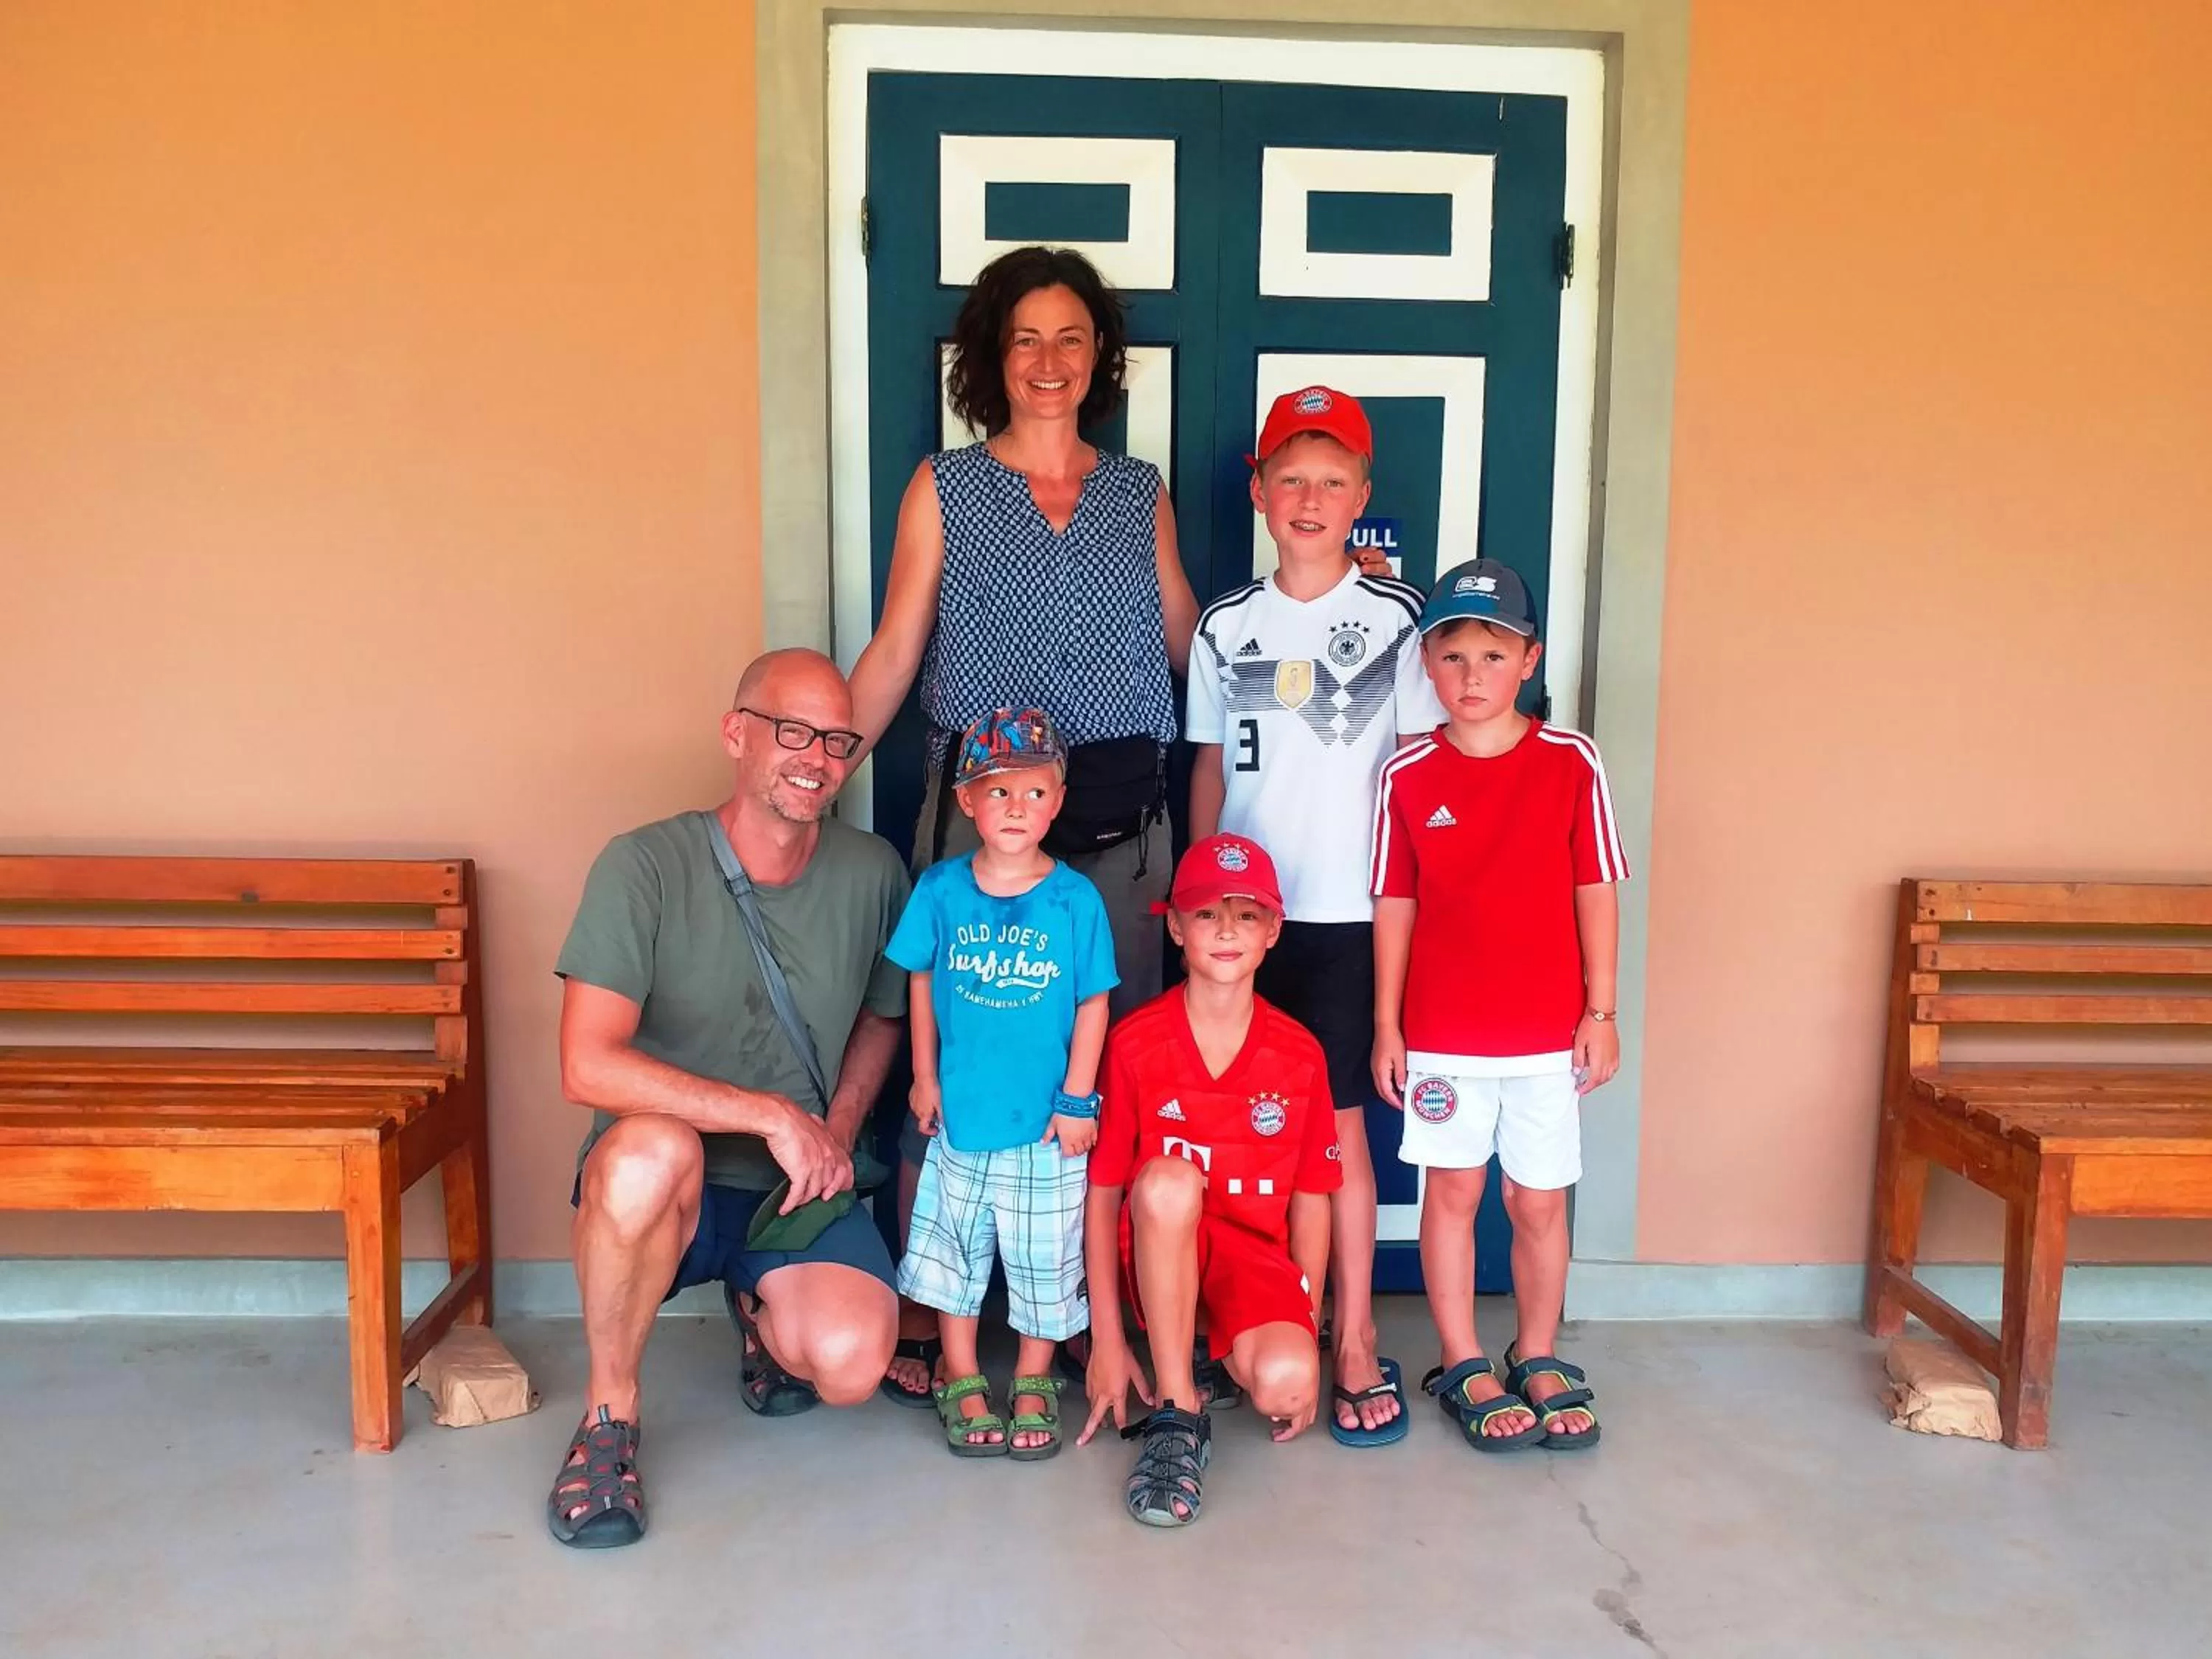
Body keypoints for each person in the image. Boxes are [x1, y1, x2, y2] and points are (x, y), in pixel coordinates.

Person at [846, 245, 1197, 1403]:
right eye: (1025, 339)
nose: (1049, 362)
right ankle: (920, 1304)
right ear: (993, 359)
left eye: (1071, 339)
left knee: (1101, 1067)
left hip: (1121, 826)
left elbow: (1195, 645)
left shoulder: (1135, 489)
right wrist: (813, 766)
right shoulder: (945, 486)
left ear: (1099, 357)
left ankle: (1103, 1312)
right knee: (944, 1056)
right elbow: (899, 647)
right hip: (978, 820)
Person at [544, 648, 909, 1548]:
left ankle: (759, 1313)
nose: (815, 757)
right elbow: (586, 1065)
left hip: (798, 1190)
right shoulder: (645, 865)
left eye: (836, 739)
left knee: (853, 1367)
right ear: (735, 733)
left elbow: (882, 1016)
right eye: (792, 731)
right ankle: (608, 1419)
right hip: (681, 1183)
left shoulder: (873, 873)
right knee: (646, 1154)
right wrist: (769, 1115)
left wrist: (837, 1129)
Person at [1185, 385, 1441, 1447]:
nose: (1309, 496)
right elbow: (1207, 762)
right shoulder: (1225, 623)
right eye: (1290, 475)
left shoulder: (1397, 619)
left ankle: (1350, 1334)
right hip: (1241, 915)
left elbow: (1426, 773)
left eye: (1333, 480)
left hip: (1343, 911)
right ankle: (1236, 1310)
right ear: (1257, 490)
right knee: (1225, 1118)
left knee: (1335, 1132)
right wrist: (1195, 893)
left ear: (1363, 497)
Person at [1369, 560, 1626, 1453]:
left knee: (1538, 1201)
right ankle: (1463, 1355)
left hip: (1546, 1037)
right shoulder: (1406, 772)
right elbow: (1395, 902)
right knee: (1454, 1190)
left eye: (1492, 653)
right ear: (1428, 667)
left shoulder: (1571, 761)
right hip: (1444, 1037)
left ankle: (1540, 1351)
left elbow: (1596, 887)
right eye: (1452, 655)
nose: (1472, 675)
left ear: (1528, 661)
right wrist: (1388, 1024)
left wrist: (1602, 1012)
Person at [1077, 834, 1341, 1528]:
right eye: (1205, 914)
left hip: (1254, 1261)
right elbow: (1104, 1194)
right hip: (1164, 1250)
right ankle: (1176, 1410)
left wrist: (1303, 1323)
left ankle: (1227, 1353)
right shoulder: (1135, 1042)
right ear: (1174, 925)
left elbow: (1314, 1196)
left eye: (1247, 915)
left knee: (1287, 1384)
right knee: (1166, 1182)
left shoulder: (1300, 1053)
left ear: (1274, 931)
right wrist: (1106, 1337)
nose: (1226, 930)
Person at [888, 708, 1116, 1460]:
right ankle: (959, 1371)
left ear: (1058, 797)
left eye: (1033, 793)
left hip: (1047, 1127)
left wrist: (1079, 1098)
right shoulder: (942, 890)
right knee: (956, 1254)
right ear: (965, 802)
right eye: (997, 793)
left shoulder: (1075, 899)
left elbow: (1093, 1001)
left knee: (1044, 1256)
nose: (1016, 810)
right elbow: (920, 982)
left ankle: (1032, 1375)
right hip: (961, 1115)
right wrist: (923, 1076)